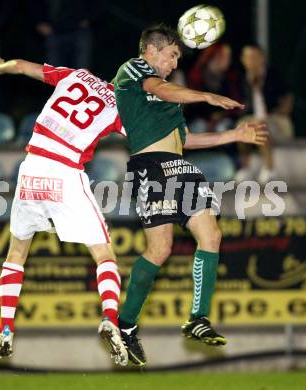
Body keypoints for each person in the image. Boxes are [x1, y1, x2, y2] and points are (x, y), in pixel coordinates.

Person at [113, 24, 268, 366]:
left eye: (176, 58)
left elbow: (184, 140)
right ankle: (125, 326)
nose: (172, 63)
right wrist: (207, 95)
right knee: (161, 249)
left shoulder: (169, 98)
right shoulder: (134, 69)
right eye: (171, 55)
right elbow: (160, 87)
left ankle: (197, 318)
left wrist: (234, 136)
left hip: (180, 166)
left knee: (211, 234)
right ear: (151, 50)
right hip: (150, 167)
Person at [0, 55, 128, 366]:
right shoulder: (121, 107)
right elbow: (147, 142)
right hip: (65, 171)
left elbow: (24, 66)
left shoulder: (76, 75)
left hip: (31, 167)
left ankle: (6, 328)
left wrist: (1, 66)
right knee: (104, 255)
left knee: (16, 254)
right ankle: (109, 318)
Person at [235, 44, 294, 184]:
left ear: (262, 58)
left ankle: (270, 168)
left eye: (255, 57)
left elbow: (288, 100)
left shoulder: (274, 75)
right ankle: (245, 167)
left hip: (276, 120)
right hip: (252, 119)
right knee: (242, 126)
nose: (252, 61)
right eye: (248, 58)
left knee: (259, 124)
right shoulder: (240, 80)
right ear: (243, 60)